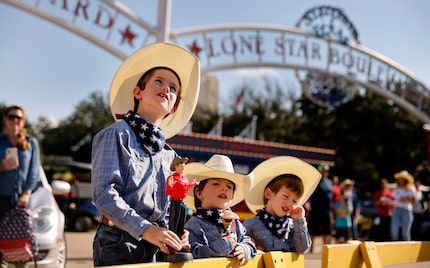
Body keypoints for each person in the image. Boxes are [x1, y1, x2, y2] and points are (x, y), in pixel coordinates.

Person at [91, 42, 200, 266]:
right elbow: (104, 193)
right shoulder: (116, 134)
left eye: (173, 88)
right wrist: (146, 229)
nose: (166, 88)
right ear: (138, 92)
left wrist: (178, 230)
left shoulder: (170, 156)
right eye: (158, 81)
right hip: (118, 240)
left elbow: (169, 208)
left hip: (155, 245)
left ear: (174, 108)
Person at [183, 154, 256, 265]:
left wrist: (244, 249)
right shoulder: (194, 225)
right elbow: (193, 253)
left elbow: (249, 243)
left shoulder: (235, 222)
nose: (224, 188)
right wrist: (221, 247)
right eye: (216, 183)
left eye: (229, 187)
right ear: (199, 193)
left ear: (232, 197)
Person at [243, 156, 321, 253]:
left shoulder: (293, 226)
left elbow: (302, 249)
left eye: (295, 201)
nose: (289, 203)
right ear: (268, 194)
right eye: (285, 196)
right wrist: (248, 247)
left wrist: (299, 220)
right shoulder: (251, 224)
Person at [0, 105, 41, 268]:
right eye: (11, 117)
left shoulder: (31, 143)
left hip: (22, 201)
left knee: (20, 245)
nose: (15, 120)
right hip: (1, 200)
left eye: (19, 118)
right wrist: (3, 167)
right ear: (5, 119)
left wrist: (26, 193)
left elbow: (34, 172)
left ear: (23, 121)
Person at [166, 156, 196, 246]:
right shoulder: (172, 178)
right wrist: (172, 187)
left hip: (183, 202)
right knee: (174, 222)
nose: (183, 167)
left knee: (181, 222)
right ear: (176, 167)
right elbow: (168, 191)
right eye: (181, 165)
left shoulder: (184, 178)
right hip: (175, 201)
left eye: (183, 165)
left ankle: (179, 240)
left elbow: (187, 186)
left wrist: (194, 183)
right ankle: (171, 241)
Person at [308, 165, 333, 251]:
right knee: (313, 230)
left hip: (326, 210)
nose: (324, 173)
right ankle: (311, 246)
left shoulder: (329, 182)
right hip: (316, 209)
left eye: (326, 171)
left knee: (327, 230)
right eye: (323, 171)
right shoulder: (315, 182)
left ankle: (325, 247)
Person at [391, 170, 416, 241]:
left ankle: (408, 249)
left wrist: (406, 199)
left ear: (406, 179)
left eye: (402, 178)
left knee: (405, 232)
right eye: (400, 178)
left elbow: (414, 201)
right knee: (394, 230)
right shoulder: (396, 188)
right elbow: (394, 199)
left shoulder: (411, 188)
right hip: (397, 210)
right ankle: (394, 247)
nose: (400, 179)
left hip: (406, 211)